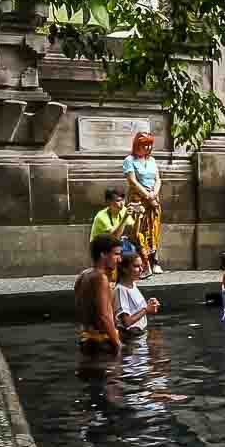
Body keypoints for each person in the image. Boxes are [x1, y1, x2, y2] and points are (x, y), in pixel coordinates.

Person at [123, 131, 164, 275]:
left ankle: (155, 261)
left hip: (153, 198)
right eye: (144, 145)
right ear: (137, 145)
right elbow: (133, 182)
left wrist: (154, 194)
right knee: (139, 231)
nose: (147, 148)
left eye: (149, 145)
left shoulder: (152, 160)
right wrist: (147, 195)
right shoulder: (129, 160)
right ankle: (142, 264)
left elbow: (158, 179)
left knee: (154, 229)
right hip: (138, 200)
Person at [75, 234, 123, 353]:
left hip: (87, 339)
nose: (120, 259)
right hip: (101, 343)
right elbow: (104, 316)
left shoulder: (83, 275)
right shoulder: (101, 278)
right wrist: (118, 344)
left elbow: (80, 308)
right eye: (116, 254)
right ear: (103, 254)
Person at [114, 250, 160, 335]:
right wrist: (146, 309)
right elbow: (126, 322)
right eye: (136, 266)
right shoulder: (121, 290)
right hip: (131, 336)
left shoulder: (133, 285)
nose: (141, 269)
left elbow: (137, 311)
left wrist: (150, 306)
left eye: (141, 266)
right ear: (124, 269)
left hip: (141, 333)